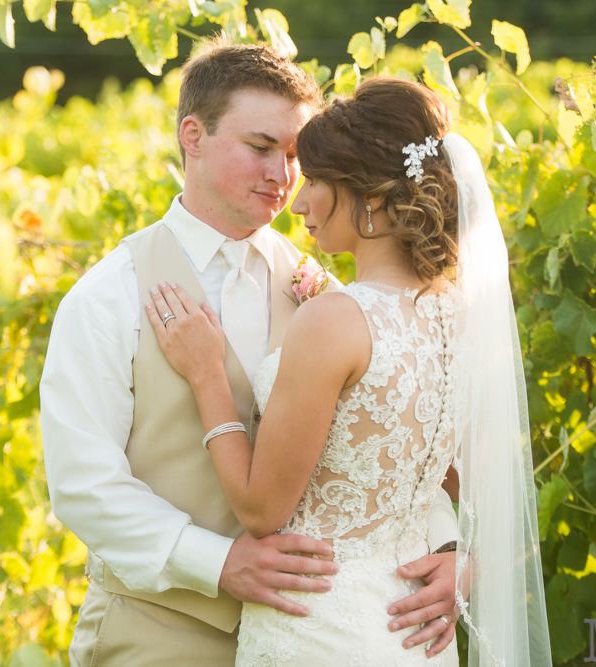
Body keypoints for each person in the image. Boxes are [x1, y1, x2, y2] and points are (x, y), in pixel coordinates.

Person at [40, 42, 462, 667]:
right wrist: (218, 564)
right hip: (160, 634)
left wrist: (449, 550)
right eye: (262, 148)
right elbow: (83, 485)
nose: (283, 176)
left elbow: (382, 440)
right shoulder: (108, 295)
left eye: (295, 156)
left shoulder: (325, 289)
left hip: (318, 635)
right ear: (194, 135)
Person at [143, 77, 553, 666]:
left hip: (316, 630)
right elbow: (485, 489)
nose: (299, 199)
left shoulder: (335, 319)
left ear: (374, 197)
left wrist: (207, 374)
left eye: (315, 181)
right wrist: (468, 561)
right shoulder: (457, 315)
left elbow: (262, 511)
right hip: (414, 636)